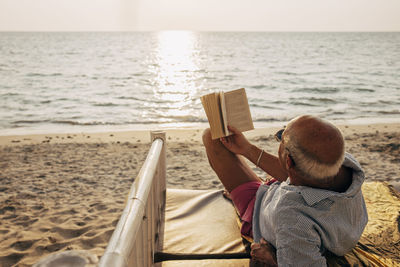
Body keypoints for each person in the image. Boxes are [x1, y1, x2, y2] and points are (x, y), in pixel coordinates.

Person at [202, 115, 368, 266]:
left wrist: (272, 259)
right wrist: (246, 148)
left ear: (288, 161)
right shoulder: (347, 165)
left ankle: (243, 201)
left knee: (211, 137)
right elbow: (300, 174)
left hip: (259, 208)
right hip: (286, 192)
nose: (280, 137)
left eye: (281, 137)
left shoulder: (292, 218)